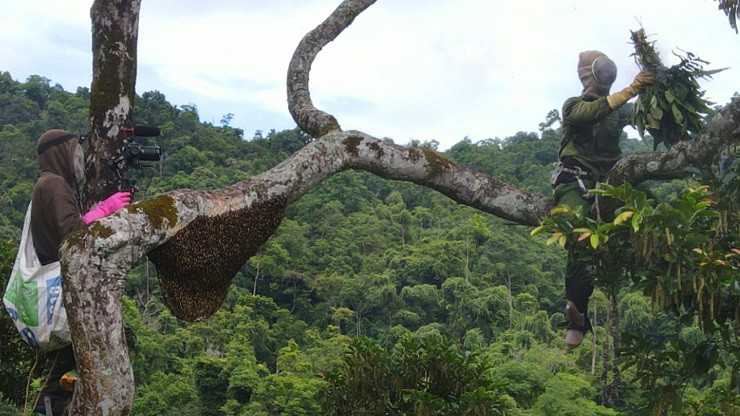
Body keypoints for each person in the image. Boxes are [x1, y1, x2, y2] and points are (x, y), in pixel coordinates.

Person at [552, 51, 654, 348]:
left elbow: (643, 115)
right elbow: (593, 112)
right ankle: (577, 312)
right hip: (575, 180)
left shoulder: (621, 109)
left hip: (610, 182)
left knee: (650, 210)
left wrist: (654, 88)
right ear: (587, 76)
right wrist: (632, 89)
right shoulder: (574, 105)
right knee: (577, 229)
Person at [31, 129, 131, 416]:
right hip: (61, 281)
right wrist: (103, 211)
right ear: (61, 154)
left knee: (66, 350)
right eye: (75, 154)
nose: (79, 162)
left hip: (56, 280)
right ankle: (52, 401)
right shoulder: (55, 185)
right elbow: (71, 233)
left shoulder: (47, 183)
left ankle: (54, 399)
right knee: (114, 338)